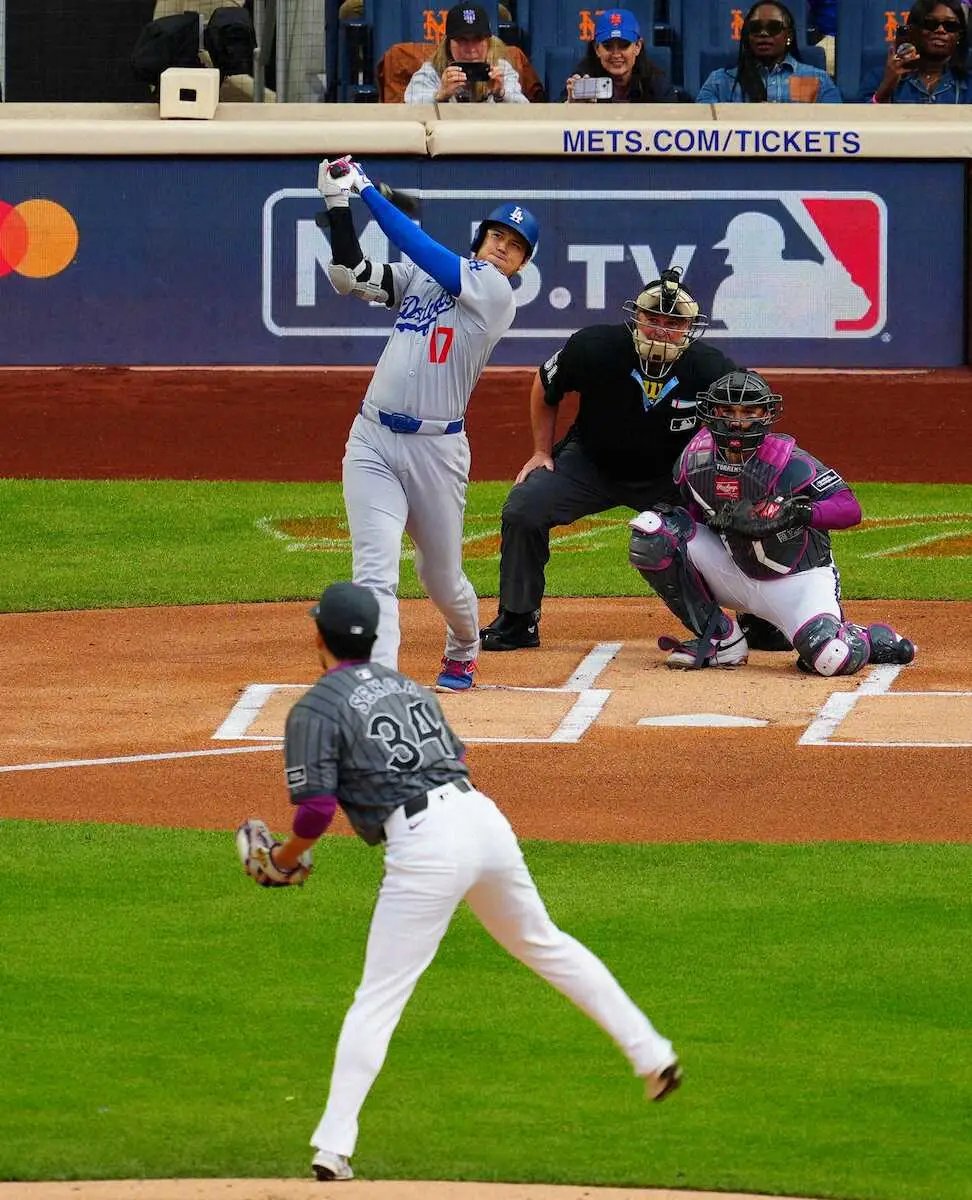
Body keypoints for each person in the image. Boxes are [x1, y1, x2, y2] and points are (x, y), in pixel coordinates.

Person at [236, 580, 683, 1183]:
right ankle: (652, 1054)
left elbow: (315, 812)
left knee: (380, 996)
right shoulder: (406, 686)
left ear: (320, 635)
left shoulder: (316, 707)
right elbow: (454, 759)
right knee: (544, 942)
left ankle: (332, 1145)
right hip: (482, 818)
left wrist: (287, 860)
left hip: (425, 845)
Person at [317, 154, 538, 689]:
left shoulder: (495, 294)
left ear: (520, 265)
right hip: (371, 438)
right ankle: (381, 684)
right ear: (480, 238)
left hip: (437, 452)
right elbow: (350, 276)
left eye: (514, 245)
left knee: (439, 578)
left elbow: (418, 246)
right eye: (496, 235)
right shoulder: (421, 277)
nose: (502, 246)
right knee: (375, 573)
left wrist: (366, 190)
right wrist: (337, 204)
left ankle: (465, 642)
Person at [479, 268, 736, 652]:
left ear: (689, 328)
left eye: (674, 322)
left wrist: (725, 476)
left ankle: (757, 619)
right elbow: (546, 385)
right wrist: (540, 451)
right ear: (637, 317)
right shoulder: (594, 346)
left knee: (735, 514)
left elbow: (744, 415)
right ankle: (518, 619)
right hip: (591, 463)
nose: (662, 329)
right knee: (525, 507)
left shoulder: (712, 368)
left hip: (669, 476)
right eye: (654, 319)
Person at [627, 370, 916, 674]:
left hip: (796, 580)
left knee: (831, 658)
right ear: (712, 413)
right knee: (652, 532)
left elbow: (849, 508)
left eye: (748, 411)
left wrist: (798, 513)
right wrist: (719, 521)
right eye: (728, 411)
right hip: (734, 568)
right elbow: (692, 517)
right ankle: (720, 639)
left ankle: (867, 637)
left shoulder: (789, 462)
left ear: (765, 414)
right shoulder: (694, 461)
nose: (737, 421)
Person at [695, 1, 842, 102]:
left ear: (788, 36)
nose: (764, 34)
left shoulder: (820, 82)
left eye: (773, 27)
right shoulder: (719, 83)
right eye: (755, 28)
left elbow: (836, 136)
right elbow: (702, 136)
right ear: (747, 35)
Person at [403, 3, 529, 103]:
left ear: (488, 42)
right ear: (448, 44)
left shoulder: (501, 69)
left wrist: (501, 94)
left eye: (478, 39)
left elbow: (525, 112)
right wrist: (440, 95)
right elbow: (410, 109)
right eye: (462, 40)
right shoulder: (432, 71)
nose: (471, 49)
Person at [861, 1, 971, 103]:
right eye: (930, 23)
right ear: (914, 30)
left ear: (959, 35)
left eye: (950, 26)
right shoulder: (878, 78)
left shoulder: (968, 84)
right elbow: (860, 121)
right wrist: (886, 88)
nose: (941, 30)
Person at [563, 8, 679, 102]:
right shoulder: (583, 79)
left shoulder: (656, 83)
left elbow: (674, 124)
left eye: (624, 45)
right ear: (597, 49)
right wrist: (571, 107)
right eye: (608, 46)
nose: (616, 54)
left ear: (637, 47)